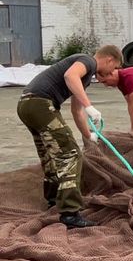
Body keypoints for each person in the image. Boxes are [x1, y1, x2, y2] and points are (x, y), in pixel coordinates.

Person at [16, 45, 123, 229]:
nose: (112, 72)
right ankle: (70, 213)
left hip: (26, 104)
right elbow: (69, 76)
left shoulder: (85, 75)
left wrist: (88, 135)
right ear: (109, 60)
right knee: (71, 154)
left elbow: (76, 110)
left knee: (51, 153)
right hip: (40, 104)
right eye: (114, 68)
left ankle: (53, 200)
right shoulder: (88, 62)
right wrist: (90, 106)